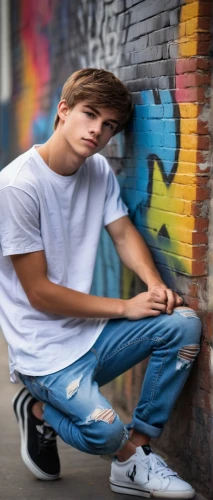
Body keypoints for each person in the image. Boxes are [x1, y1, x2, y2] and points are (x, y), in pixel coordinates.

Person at [0, 68, 201, 499]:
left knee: (183, 324)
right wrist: (126, 307)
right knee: (103, 434)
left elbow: (124, 232)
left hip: (90, 335)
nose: (97, 130)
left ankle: (137, 453)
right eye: (90, 115)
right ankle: (41, 408)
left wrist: (153, 284)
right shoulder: (18, 186)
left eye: (109, 124)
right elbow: (40, 293)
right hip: (44, 355)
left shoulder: (98, 171)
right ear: (63, 110)